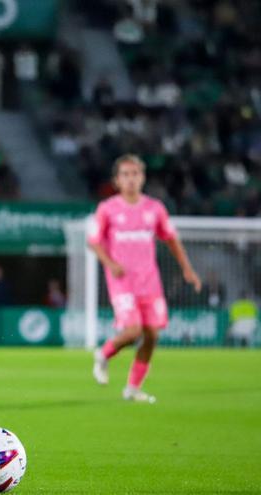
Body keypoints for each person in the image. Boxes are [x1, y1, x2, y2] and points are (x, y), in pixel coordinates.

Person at [89, 154, 201, 402]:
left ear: (143, 177)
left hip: (149, 281)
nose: (131, 179)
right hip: (122, 281)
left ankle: (132, 389)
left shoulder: (155, 208)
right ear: (117, 180)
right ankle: (104, 354)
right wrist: (110, 264)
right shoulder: (107, 209)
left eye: (135, 174)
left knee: (152, 335)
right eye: (125, 175)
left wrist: (187, 268)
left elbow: (171, 238)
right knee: (132, 331)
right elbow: (94, 241)